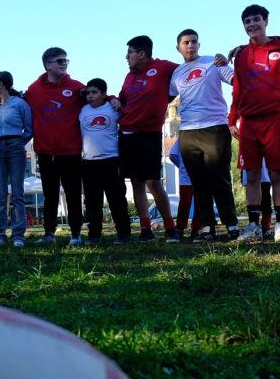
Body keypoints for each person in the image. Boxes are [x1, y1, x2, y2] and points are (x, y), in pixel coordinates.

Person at [229, 5, 280, 243]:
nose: (251, 24)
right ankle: (253, 226)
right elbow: (237, 89)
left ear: (266, 21)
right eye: (247, 21)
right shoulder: (242, 55)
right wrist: (232, 118)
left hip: (273, 119)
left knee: (277, 173)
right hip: (248, 122)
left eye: (256, 19)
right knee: (252, 175)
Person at [170, 29, 238, 242]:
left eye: (193, 42)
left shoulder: (213, 63)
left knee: (220, 179)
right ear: (178, 47)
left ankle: (232, 225)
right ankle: (206, 227)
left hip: (214, 127)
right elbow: (165, 97)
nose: (190, 45)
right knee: (198, 183)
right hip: (188, 132)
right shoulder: (177, 74)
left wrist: (233, 59)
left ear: (199, 44)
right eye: (185, 42)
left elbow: (238, 80)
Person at [118, 35, 181, 242]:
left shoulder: (163, 67)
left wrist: (167, 98)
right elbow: (121, 100)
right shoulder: (129, 76)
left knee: (153, 182)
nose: (126, 57)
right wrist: (112, 100)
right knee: (136, 182)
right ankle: (146, 228)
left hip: (150, 133)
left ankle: (171, 228)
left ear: (142, 54)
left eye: (130, 53)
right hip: (127, 134)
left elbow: (188, 70)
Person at [24, 47, 86, 245]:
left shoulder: (76, 87)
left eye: (66, 61)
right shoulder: (35, 89)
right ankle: (48, 234)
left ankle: (76, 234)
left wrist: (112, 100)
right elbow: (18, 98)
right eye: (60, 61)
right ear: (47, 65)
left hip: (71, 151)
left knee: (73, 194)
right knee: (49, 195)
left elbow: (98, 96)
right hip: (45, 151)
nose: (64, 64)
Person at [79, 78, 131, 245]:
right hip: (88, 162)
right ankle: (94, 235)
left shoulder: (113, 107)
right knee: (92, 201)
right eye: (88, 93)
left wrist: (113, 99)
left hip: (111, 160)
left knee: (117, 199)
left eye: (94, 92)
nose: (90, 96)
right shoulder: (82, 110)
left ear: (103, 94)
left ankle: (124, 234)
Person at [0, 71, 33, 247]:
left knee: (17, 192)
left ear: (2, 84)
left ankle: (18, 234)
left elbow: (29, 128)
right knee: (0, 194)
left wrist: (19, 142)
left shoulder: (20, 104)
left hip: (15, 147)